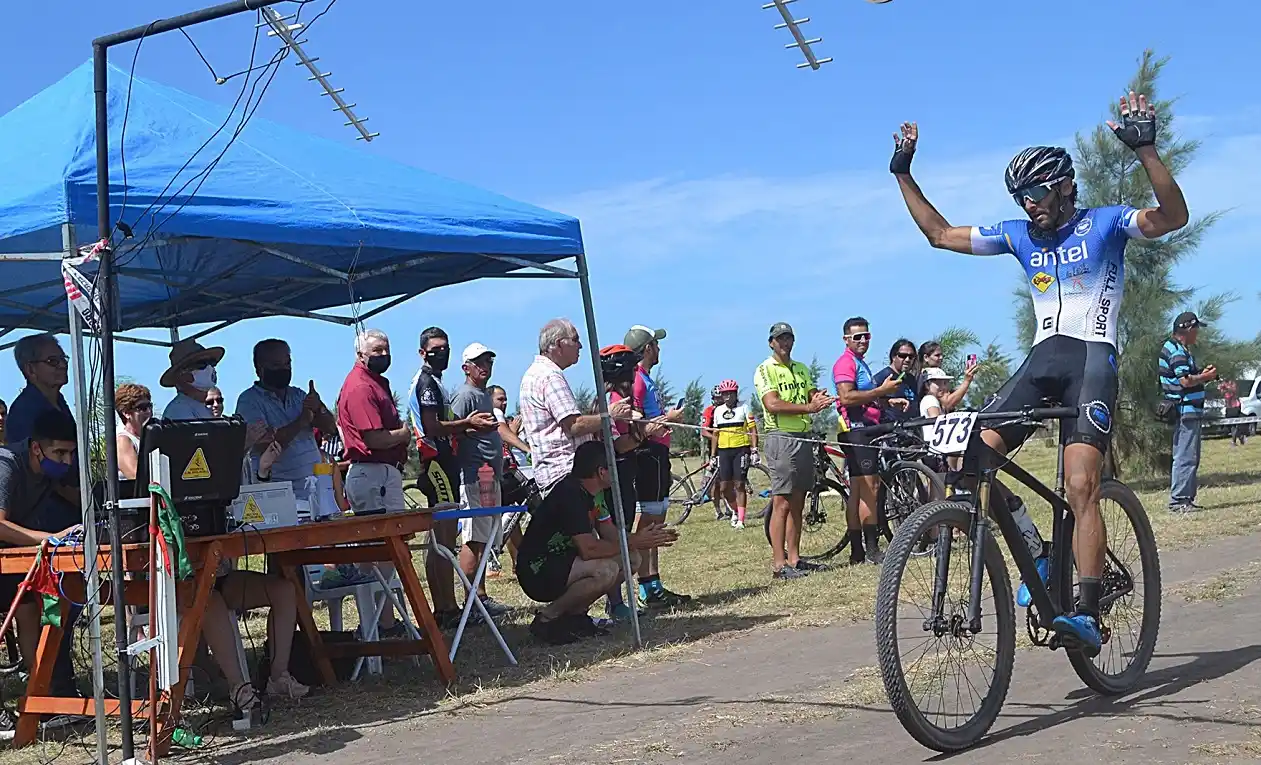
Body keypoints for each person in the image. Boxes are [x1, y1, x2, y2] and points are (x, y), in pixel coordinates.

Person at [890, 91, 1190, 655]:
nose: (1029, 205)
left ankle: (1088, 609)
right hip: (1041, 363)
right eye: (1019, 196)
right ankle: (1039, 551)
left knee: (1080, 485)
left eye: (1036, 192)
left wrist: (1147, 150)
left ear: (1064, 185)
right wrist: (904, 174)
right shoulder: (1019, 235)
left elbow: (1173, 217)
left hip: (1091, 363)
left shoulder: (1104, 225)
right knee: (969, 458)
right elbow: (940, 235)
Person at [162, 363, 308, 706]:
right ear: (184, 376)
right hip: (192, 564)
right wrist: (243, 444)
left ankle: (278, 677)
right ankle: (239, 688)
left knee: (285, 590)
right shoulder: (179, 414)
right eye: (201, 366)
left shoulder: (198, 411)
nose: (211, 372)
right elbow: (203, 472)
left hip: (220, 560)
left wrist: (258, 460)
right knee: (207, 596)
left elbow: (228, 478)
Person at [515, 441, 677, 645]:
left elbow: (609, 533)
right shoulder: (570, 495)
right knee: (606, 569)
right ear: (601, 472)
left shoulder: (595, 493)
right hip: (538, 570)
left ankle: (576, 618)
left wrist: (641, 539)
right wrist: (635, 540)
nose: (618, 472)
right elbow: (589, 549)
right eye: (614, 467)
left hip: (564, 562)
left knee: (632, 559)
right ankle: (547, 618)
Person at [337, 329, 414, 635]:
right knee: (380, 553)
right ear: (361, 354)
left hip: (381, 472)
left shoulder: (373, 383)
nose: (384, 355)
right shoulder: (359, 387)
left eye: (387, 349)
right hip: (372, 472)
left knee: (387, 554)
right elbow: (374, 437)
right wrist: (405, 434)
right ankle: (378, 625)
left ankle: (385, 622)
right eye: (377, 350)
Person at [755, 323, 833, 580]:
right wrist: (809, 408)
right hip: (781, 437)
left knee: (798, 499)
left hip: (803, 436)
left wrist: (820, 397)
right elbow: (772, 403)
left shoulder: (801, 368)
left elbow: (811, 393)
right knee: (782, 501)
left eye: (789, 338)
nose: (785, 343)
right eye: (780, 339)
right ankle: (779, 563)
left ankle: (794, 557)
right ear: (771, 343)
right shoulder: (765, 369)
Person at [519, 319, 630, 493]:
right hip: (564, 475)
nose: (580, 346)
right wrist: (611, 415)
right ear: (558, 344)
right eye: (575, 339)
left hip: (556, 475)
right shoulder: (550, 376)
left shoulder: (536, 374)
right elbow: (574, 425)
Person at [624, 324, 689, 607]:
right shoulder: (637, 379)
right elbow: (637, 426)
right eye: (656, 344)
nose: (659, 349)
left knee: (658, 517)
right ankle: (646, 586)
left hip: (658, 454)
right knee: (649, 520)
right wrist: (670, 418)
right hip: (647, 454)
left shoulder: (646, 378)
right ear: (647, 348)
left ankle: (654, 582)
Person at [833, 317, 902, 565]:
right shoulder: (845, 363)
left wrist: (887, 401)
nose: (863, 340)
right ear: (846, 340)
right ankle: (870, 548)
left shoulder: (859, 363)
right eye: (857, 337)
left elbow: (865, 397)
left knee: (860, 491)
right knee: (868, 490)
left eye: (866, 336)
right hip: (857, 430)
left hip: (866, 428)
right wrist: (880, 392)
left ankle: (858, 551)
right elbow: (847, 397)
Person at [449, 342, 510, 617]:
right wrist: (470, 428)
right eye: (479, 363)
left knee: (484, 538)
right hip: (474, 475)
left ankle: (480, 596)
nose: (485, 367)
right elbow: (451, 433)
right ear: (466, 368)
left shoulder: (483, 394)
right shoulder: (463, 396)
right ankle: (471, 601)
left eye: (488, 362)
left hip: (488, 475)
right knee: (473, 538)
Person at [597, 344, 656, 620]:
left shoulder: (625, 398)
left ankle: (621, 601)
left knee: (624, 531)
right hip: (615, 477)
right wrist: (644, 435)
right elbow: (616, 445)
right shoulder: (611, 401)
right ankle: (616, 603)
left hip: (627, 472)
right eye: (632, 369)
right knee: (617, 536)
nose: (635, 374)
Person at [1160, 312, 1217, 513]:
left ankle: (1185, 499)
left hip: (1188, 410)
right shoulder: (1176, 350)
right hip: (1185, 410)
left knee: (1189, 455)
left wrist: (1202, 374)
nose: (1198, 334)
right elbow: (1184, 381)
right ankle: (1179, 502)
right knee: (1186, 456)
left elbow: (1185, 377)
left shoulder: (1179, 349)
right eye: (1196, 329)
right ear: (1188, 329)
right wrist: (1205, 376)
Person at [6, 334, 73, 445]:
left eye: (63, 359)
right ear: (31, 369)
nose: (63, 365)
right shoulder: (23, 412)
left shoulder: (59, 401)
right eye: (52, 361)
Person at [711, 379, 758, 530]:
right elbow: (715, 434)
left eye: (730, 394)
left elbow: (753, 430)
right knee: (724, 487)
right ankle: (736, 511)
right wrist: (713, 455)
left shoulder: (744, 408)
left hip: (741, 449)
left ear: (735, 394)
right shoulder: (718, 411)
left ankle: (741, 520)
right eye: (725, 394)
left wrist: (754, 449)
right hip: (724, 450)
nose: (728, 397)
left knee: (739, 484)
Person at [160, 340, 225, 420]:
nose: (209, 367)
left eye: (211, 362)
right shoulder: (178, 411)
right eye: (201, 364)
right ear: (182, 374)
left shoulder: (209, 407)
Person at [873, 339, 919, 423]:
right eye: (902, 356)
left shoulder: (911, 379)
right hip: (891, 430)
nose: (907, 359)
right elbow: (870, 401)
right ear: (893, 356)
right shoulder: (883, 377)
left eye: (911, 357)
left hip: (912, 429)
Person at [115, 383, 154, 480]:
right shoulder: (123, 441)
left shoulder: (151, 438)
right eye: (143, 408)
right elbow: (136, 477)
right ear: (127, 413)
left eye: (150, 406)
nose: (149, 411)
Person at [701, 386, 725, 520]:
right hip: (714, 450)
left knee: (728, 481)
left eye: (721, 397)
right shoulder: (709, 411)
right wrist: (717, 438)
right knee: (715, 482)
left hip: (728, 448)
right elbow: (704, 431)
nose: (719, 400)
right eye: (717, 398)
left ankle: (730, 508)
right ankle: (718, 510)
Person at [1219, 378, 1248, 448]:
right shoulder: (1224, 386)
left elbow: (1234, 391)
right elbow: (1221, 392)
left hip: (1235, 407)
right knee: (1231, 426)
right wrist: (1222, 387)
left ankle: (1236, 440)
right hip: (1228, 408)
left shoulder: (1232, 384)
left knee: (1235, 425)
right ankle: (1238, 438)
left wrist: (1226, 386)